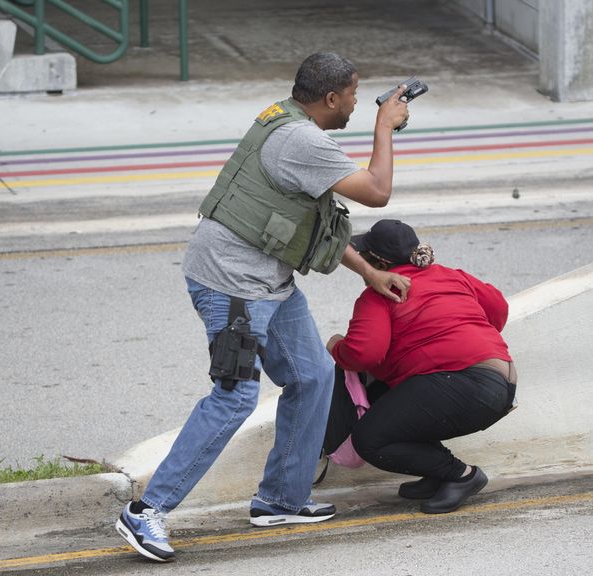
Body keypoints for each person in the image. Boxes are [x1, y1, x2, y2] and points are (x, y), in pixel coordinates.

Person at [115, 53, 411, 563]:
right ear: (331, 99)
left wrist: (369, 271)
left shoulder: (288, 121)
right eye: (356, 97)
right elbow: (377, 191)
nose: (359, 106)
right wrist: (387, 125)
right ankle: (146, 511)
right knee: (233, 397)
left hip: (267, 281)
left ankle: (280, 498)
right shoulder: (302, 140)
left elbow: (309, 221)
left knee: (314, 376)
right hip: (231, 284)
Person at [326, 219, 517, 515]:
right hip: (502, 381)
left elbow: (365, 354)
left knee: (370, 438)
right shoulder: (452, 276)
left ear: (378, 262)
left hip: (462, 385)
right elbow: (498, 308)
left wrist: (336, 345)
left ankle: (461, 475)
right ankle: (437, 473)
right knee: (403, 404)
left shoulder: (380, 295)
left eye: (365, 256)